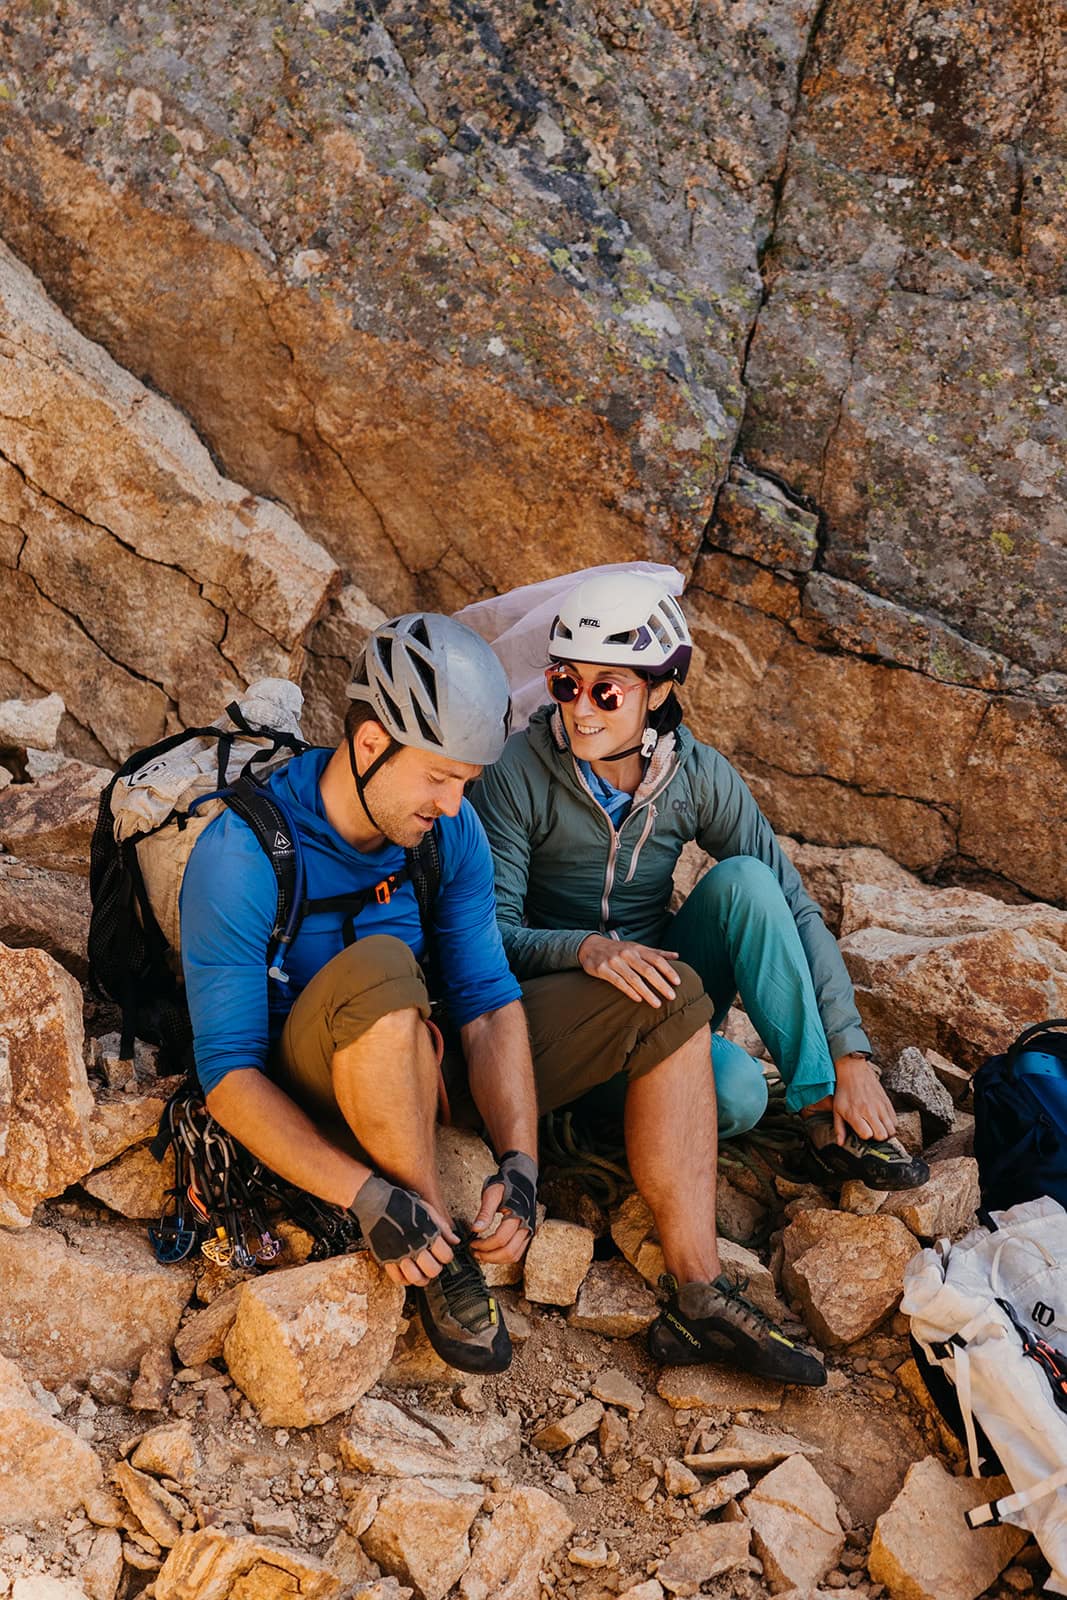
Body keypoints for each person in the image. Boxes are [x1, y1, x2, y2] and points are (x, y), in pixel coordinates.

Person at [471, 571, 928, 1382]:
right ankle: (644, 1146)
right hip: (558, 1014)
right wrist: (585, 949)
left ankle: (825, 1107)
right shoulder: (518, 773)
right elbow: (490, 934)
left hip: (664, 1005)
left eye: (604, 691)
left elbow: (792, 905)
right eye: (564, 683)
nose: (578, 708)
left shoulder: (696, 776)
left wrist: (851, 1053)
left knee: (747, 896)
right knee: (730, 1094)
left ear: (659, 691)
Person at [179, 613, 540, 1375]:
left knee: (664, 1005)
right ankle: (436, 1246)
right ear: (371, 742)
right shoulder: (241, 854)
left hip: (417, 1054)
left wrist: (520, 1160)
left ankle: (700, 1288)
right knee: (379, 963)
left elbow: (486, 996)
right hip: (305, 1080)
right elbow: (229, 1077)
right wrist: (367, 1199)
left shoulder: (450, 831)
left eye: (465, 782)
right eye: (439, 776)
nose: (452, 804)